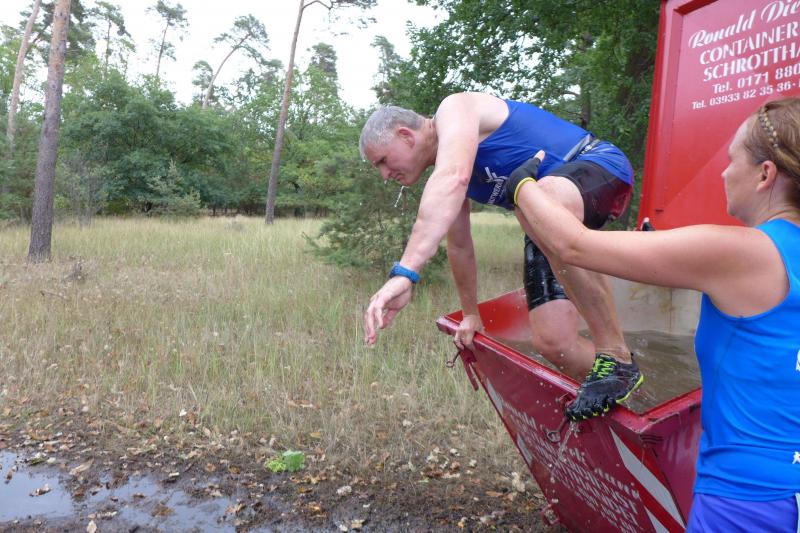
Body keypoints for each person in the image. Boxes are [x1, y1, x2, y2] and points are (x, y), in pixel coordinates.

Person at [507, 98, 800, 531]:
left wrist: (522, 186)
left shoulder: (742, 253)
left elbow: (573, 246)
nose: (723, 173)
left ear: (765, 174)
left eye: (731, 160)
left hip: (749, 500)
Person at [360, 92, 642, 413]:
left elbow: (453, 178)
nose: (384, 175)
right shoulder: (450, 165)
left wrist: (405, 272)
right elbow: (460, 245)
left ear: (406, 136)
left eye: (382, 161)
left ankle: (616, 355)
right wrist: (471, 314)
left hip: (598, 165)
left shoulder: (454, 109)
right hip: (544, 221)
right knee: (554, 342)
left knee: (536, 198)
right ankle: (637, 399)